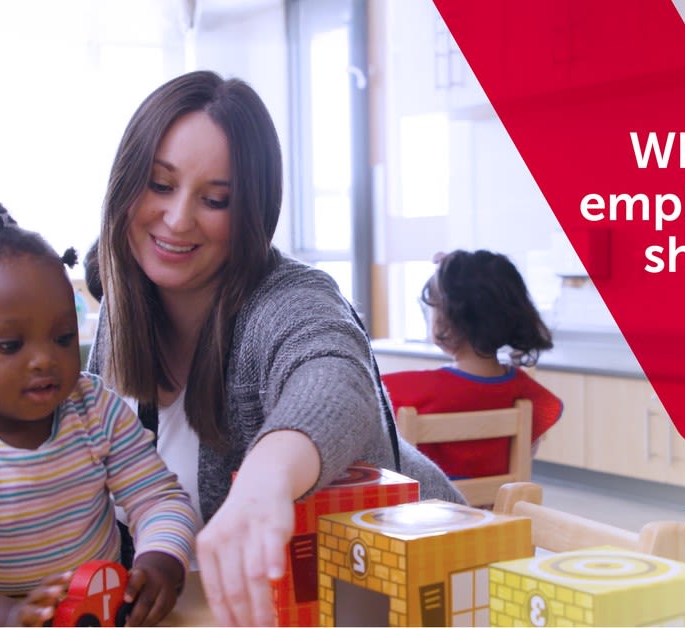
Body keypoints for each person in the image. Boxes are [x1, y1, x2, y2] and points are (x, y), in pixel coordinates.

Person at [86, 70, 463, 626]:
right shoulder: (123, 310)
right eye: (160, 185)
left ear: (253, 214)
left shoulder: (287, 298)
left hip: (422, 578)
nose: (178, 217)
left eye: (215, 199)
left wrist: (265, 479)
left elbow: (333, 378)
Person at [0, 205, 198, 627]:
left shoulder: (95, 410)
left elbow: (158, 500)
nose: (43, 360)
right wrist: (8, 617)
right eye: (11, 345)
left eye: (63, 337)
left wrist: (162, 564)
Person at [382, 250, 564, 480]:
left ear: (446, 320)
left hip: (430, 508)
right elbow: (530, 449)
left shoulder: (402, 389)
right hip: (495, 510)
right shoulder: (529, 392)